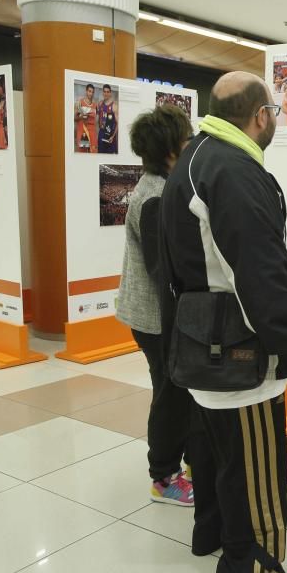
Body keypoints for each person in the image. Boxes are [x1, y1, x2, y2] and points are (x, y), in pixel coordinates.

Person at [160, 71, 287, 573]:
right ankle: (251, 571)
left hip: (201, 343)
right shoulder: (232, 169)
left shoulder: (195, 158)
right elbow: (260, 270)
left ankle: (213, 536)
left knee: (217, 458)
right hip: (238, 354)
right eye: (272, 111)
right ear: (260, 116)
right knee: (255, 469)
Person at [114, 105, 197, 509]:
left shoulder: (165, 185)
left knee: (180, 390)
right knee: (171, 393)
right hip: (156, 318)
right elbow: (160, 267)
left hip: (165, 315)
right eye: (186, 138)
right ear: (169, 150)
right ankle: (163, 476)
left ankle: (188, 461)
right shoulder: (155, 196)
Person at [75, 83, 98, 152]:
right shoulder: (80, 103)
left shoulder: (95, 105)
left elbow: (95, 120)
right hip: (83, 132)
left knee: (93, 153)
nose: (91, 93)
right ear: (86, 91)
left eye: (92, 92)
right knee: (83, 154)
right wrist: (81, 116)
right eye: (89, 91)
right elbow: (75, 118)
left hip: (92, 133)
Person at [97, 84, 118, 153]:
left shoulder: (114, 106)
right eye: (104, 91)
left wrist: (113, 136)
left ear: (110, 93)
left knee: (110, 157)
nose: (106, 93)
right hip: (101, 133)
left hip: (110, 135)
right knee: (100, 155)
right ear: (103, 92)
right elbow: (97, 118)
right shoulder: (100, 104)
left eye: (107, 92)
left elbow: (118, 123)